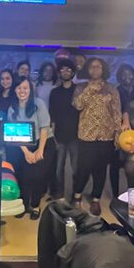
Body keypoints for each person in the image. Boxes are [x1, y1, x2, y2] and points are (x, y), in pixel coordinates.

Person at [72, 57, 121, 216]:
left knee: (100, 169)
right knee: (83, 168)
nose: (95, 70)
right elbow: (78, 105)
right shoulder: (80, 87)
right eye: (92, 67)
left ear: (103, 69)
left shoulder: (111, 88)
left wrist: (117, 133)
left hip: (105, 135)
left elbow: (116, 112)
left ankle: (95, 200)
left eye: (98, 67)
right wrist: (90, 89)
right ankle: (77, 196)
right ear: (87, 69)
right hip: (86, 135)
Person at [7, 77, 54, 219]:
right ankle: (23, 205)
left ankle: (35, 206)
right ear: (14, 90)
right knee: (24, 176)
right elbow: (15, 133)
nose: (22, 91)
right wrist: (27, 152)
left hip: (44, 142)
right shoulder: (12, 108)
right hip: (23, 145)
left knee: (38, 176)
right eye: (19, 88)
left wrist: (39, 150)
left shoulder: (38, 104)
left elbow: (44, 128)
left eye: (25, 88)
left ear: (31, 89)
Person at [48, 59, 80, 201]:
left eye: (68, 70)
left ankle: (75, 194)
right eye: (62, 69)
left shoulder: (78, 91)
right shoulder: (54, 92)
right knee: (58, 169)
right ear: (59, 72)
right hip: (59, 135)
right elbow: (52, 116)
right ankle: (59, 194)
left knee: (76, 169)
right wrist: (53, 135)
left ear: (73, 72)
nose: (65, 72)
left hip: (76, 137)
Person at [109, 64, 134, 197]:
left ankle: (131, 195)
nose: (127, 77)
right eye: (123, 74)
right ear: (119, 77)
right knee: (115, 166)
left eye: (129, 73)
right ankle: (115, 195)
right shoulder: (116, 91)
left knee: (133, 166)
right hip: (118, 132)